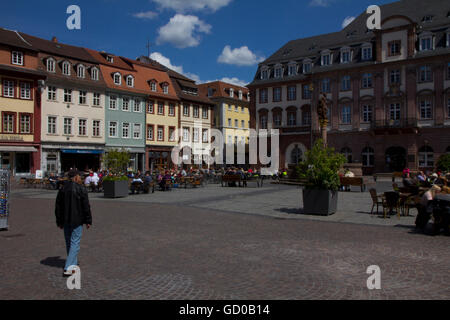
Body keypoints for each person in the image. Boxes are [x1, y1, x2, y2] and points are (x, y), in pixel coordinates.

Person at [55, 170, 92, 277]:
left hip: (65, 220)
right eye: (80, 176)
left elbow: (58, 207)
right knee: (75, 242)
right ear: (76, 177)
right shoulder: (81, 188)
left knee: (69, 242)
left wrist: (59, 220)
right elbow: (86, 206)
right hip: (77, 219)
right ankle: (68, 268)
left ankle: (73, 264)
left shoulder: (62, 189)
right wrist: (88, 220)